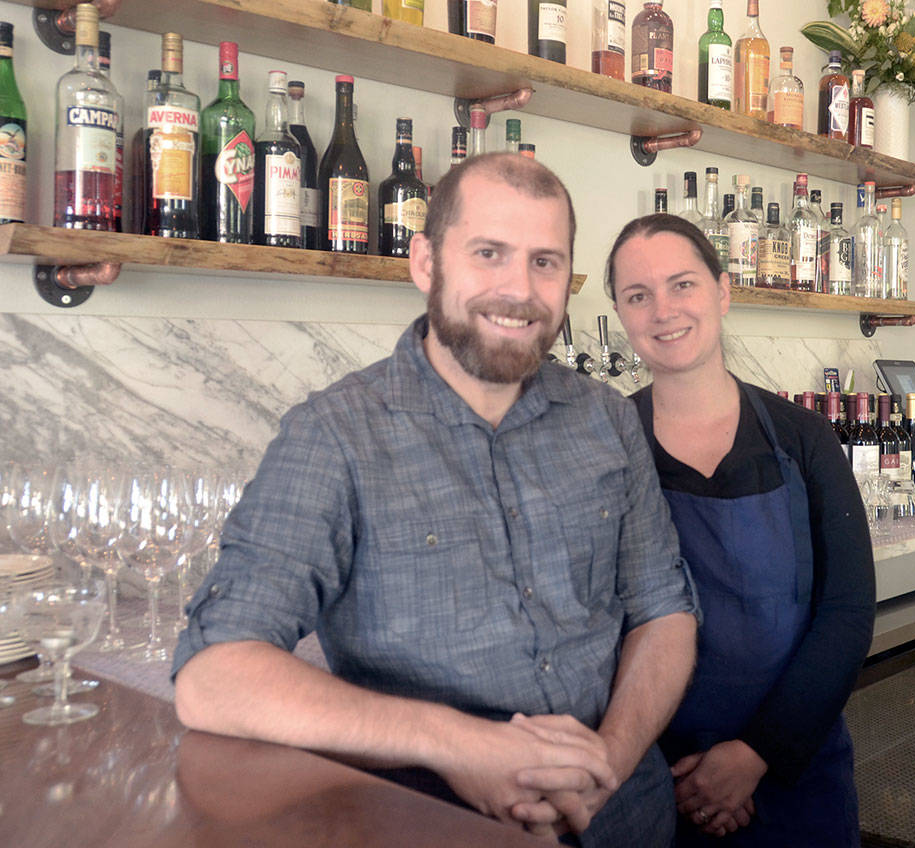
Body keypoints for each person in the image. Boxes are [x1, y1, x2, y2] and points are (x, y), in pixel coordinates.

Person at [172, 155, 699, 846]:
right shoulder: (335, 434)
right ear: (425, 262)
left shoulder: (606, 417)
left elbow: (664, 612)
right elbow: (214, 676)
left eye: (546, 262)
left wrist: (605, 764)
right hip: (430, 825)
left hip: (628, 820)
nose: (520, 290)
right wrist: (459, 744)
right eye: (489, 254)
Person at [604, 214, 876, 846]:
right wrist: (678, 773)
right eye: (638, 295)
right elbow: (590, 623)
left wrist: (755, 755)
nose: (663, 310)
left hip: (795, 762)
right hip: (660, 776)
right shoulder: (602, 446)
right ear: (619, 311)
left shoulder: (802, 437)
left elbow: (847, 612)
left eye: (682, 285)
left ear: (722, 292)